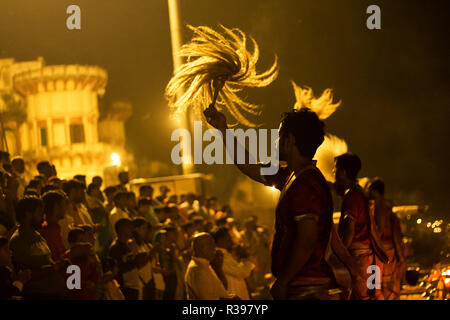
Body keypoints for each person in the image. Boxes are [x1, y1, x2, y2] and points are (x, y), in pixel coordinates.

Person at [205, 107, 350, 300]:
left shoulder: (306, 184)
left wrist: (283, 280)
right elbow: (250, 167)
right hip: (301, 286)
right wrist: (223, 129)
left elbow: (306, 241)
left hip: (307, 290)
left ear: (289, 140)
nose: (275, 141)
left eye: (279, 135)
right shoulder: (291, 176)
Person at [334, 153, 387, 300]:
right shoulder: (360, 194)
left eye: (335, 170)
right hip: (370, 258)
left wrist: (339, 257)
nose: (334, 175)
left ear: (343, 172)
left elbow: (350, 231)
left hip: (359, 260)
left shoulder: (351, 197)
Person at [9, 196, 69, 299]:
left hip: (55, 292)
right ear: (28, 214)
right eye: (39, 212)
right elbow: (23, 273)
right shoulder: (18, 240)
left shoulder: (37, 235)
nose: (43, 215)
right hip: (39, 295)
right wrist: (53, 268)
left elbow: (48, 263)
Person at [369, 179, 406, 300]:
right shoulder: (386, 209)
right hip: (387, 255)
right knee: (385, 290)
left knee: (381, 290)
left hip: (383, 255)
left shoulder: (380, 208)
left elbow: (380, 232)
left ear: (374, 192)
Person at [185, 232, 237, 300]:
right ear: (200, 248)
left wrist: (218, 268)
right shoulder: (198, 269)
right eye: (211, 245)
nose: (214, 249)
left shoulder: (204, 265)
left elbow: (220, 291)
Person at [212, 227, 254, 299]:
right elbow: (241, 272)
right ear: (221, 240)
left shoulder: (225, 254)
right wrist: (246, 258)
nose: (231, 240)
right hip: (233, 293)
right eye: (228, 238)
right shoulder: (220, 256)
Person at [108, 218, 146, 300]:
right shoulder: (116, 248)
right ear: (122, 229)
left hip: (134, 286)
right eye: (130, 227)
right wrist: (136, 260)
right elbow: (119, 268)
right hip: (125, 287)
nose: (132, 230)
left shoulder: (128, 245)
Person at [40, 191, 68, 262]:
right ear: (56, 206)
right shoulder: (49, 230)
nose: (66, 209)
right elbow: (55, 258)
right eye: (64, 205)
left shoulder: (55, 227)